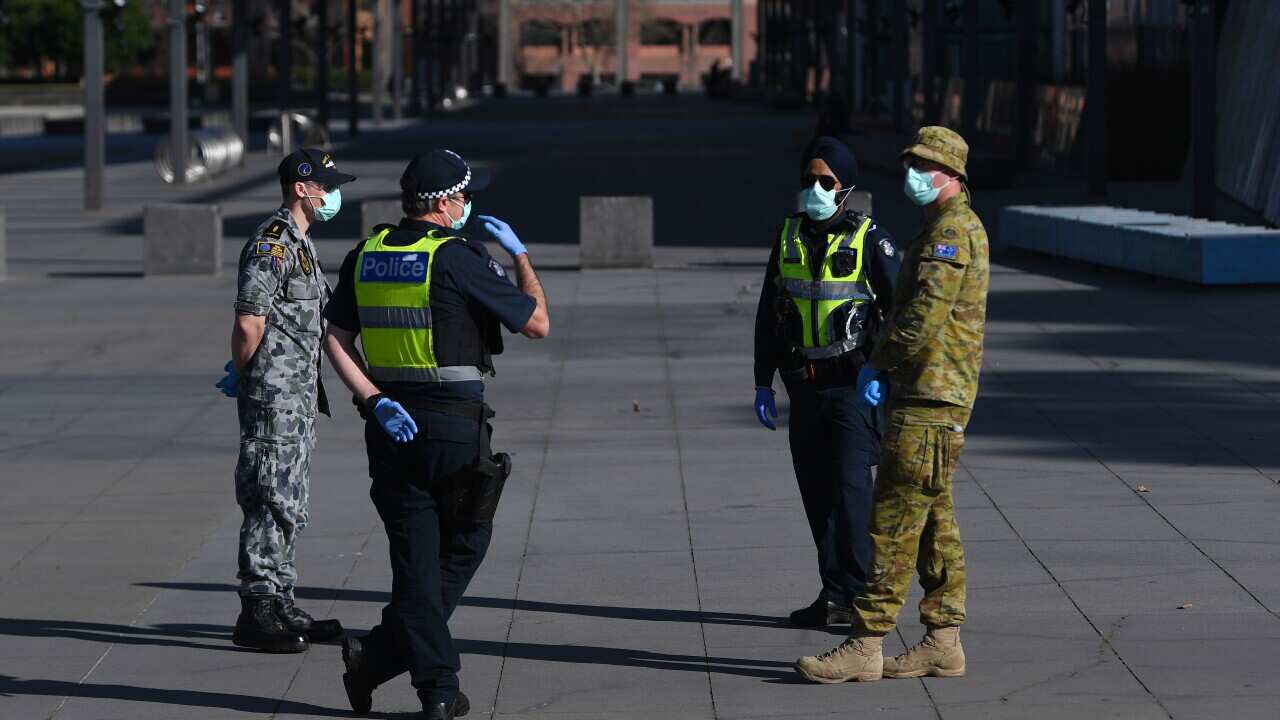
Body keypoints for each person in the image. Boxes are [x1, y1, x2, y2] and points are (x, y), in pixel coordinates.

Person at [323, 149, 550, 720]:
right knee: (466, 542)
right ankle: (434, 687)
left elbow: (335, 339)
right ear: (445, 203)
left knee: (416, 562)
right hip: (452, 427)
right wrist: (521, 255)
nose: (468, 205)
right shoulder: (457, 257)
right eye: (465, 196)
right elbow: (537, 322)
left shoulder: (366, 254)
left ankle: (383, 663)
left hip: (390, 427)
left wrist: (373, 400)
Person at [794, 126, 989, 683]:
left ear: (951, 175)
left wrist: (877, 362)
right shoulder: (944, 227)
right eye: (910, 165)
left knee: (893, 521)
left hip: (929, 396)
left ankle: (866, 642)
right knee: (934, 522)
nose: (913, 176)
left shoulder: (951, 233)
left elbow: (922, 317)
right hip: (930, 394)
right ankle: (943, 641)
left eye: (924, 167)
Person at [753, 137, 900, 628]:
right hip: (805, 387)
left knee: (852, 494)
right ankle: (834, 593)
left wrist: (885, 371)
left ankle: (863, 596)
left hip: (855, 386)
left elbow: (901, 311)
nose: (815, 189)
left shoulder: (870, 239)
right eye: (809, 179)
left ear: (845, 187)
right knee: (817, 496)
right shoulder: (789, 235)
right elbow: (768, 312)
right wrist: (762, 380)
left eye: (826, 181)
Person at [215, 148, 353, 652]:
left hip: (296, 396)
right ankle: (256, 608)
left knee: (290, 500)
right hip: (273, 395)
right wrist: (243, 370)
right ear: (301, 188)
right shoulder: (273, 243)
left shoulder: (301, 242)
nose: (332, 195)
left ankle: (281, 599)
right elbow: (249, 321)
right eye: (326, 186)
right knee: (270, 498)